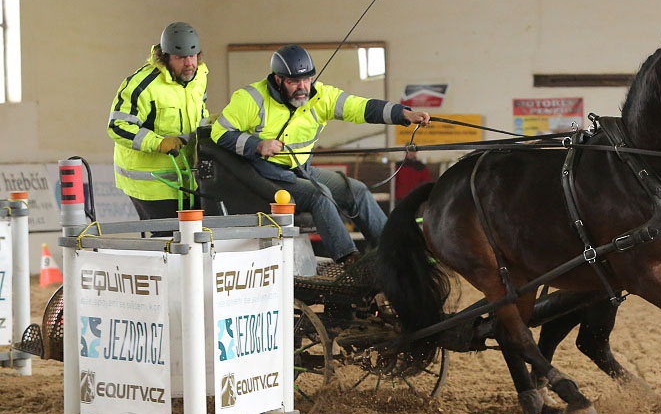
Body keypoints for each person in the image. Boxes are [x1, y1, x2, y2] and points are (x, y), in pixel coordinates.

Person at [211, 44, 430, 263]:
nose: (303, 87)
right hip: (263, 175)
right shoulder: (250, 99)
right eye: (294, 82)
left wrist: (402, 114)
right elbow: (219, 132)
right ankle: (349, 261)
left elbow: (360, 107)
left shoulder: (322, 97)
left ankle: (395, 254)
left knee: (357, 191)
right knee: (320, 195)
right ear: (278, 80)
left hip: (301, 171)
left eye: (307, 80)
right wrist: (257, 145)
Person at [107, 22, 209, 224]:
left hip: (186, 177)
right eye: (181, 58)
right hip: (150, 183)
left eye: (193, 55)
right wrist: (158, 143)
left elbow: (200, 113)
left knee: (192, 238)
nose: (189, 63)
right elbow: (117, 126)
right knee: (166, 239)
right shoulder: (143, 85)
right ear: (166, 57)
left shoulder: (199, 77)